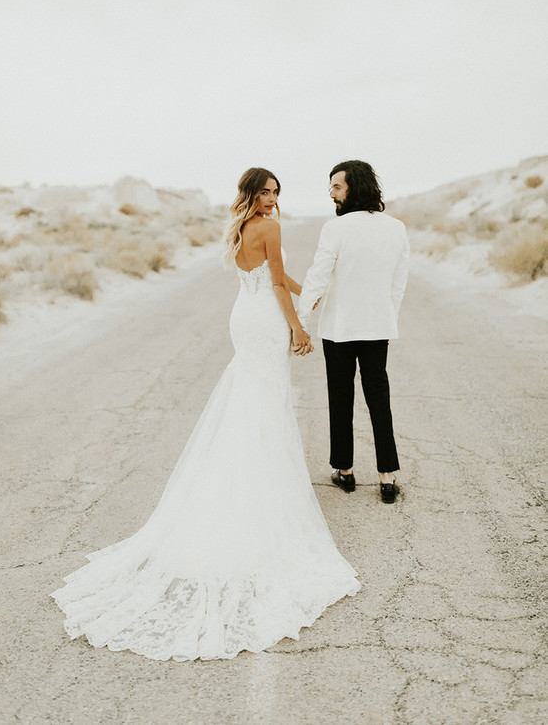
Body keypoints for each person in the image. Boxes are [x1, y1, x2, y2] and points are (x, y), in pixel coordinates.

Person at [51, 167, 360, 662]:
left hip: (244, 318)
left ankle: (248, 479)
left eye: (276, 192)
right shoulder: (272, 227)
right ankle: (259, 492)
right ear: (252, 194)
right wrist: (299, 328)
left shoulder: (240, 225)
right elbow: (277, 284)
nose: (272, 199)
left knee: (251, 403)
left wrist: (311, 294)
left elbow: (273, 279)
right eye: (265, 192)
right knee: (265, 406)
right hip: (264, 323)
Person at [297, 160, 409, 503]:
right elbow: (398, 284)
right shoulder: (397, 228)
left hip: (339, 327)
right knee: (379, 399)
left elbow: (317, 277)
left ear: (354, 188)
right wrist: (387, 316)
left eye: (336, 187)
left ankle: (344, 472)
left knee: (341, 397)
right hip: (377, 325)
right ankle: (387, 476)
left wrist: (300, 321)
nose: (331, 194)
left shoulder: (336, 229)